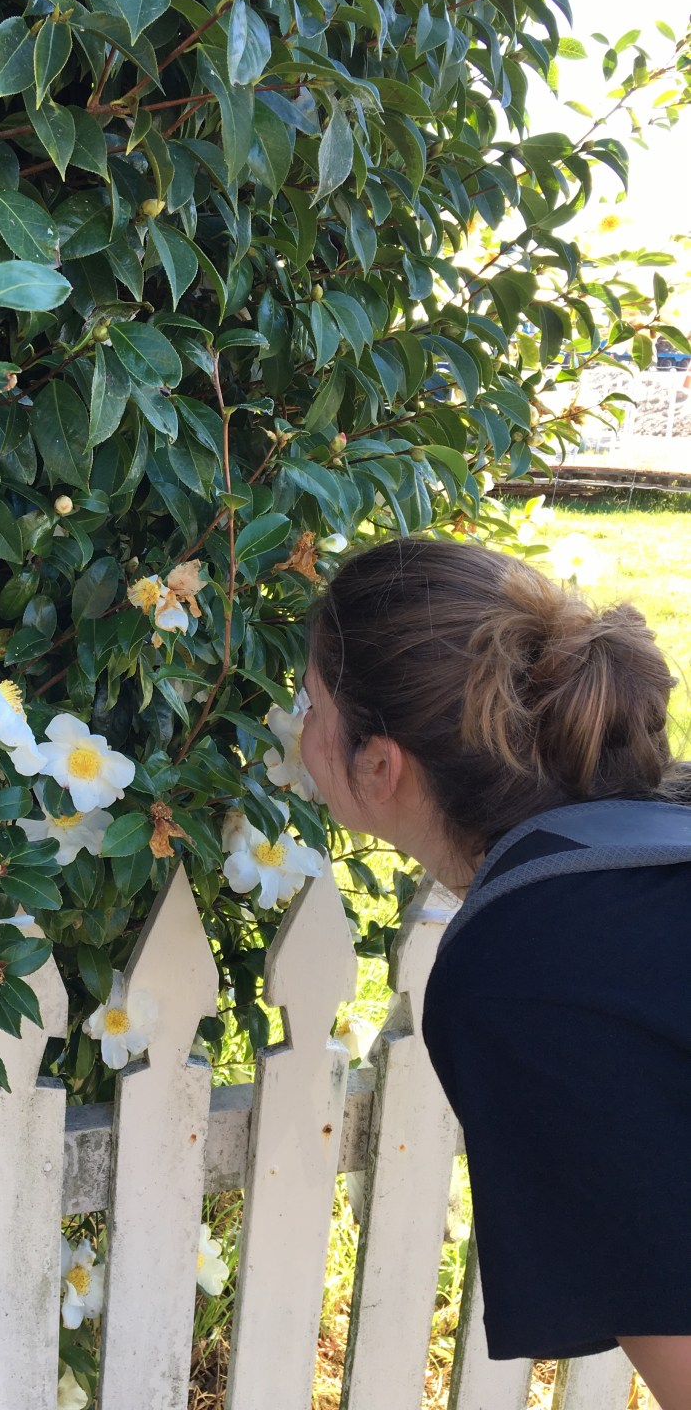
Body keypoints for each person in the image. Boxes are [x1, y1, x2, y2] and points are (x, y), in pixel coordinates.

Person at [298, 536, 691, 1408]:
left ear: (380, 764)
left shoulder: (525, 968)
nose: (299, 734)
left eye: (311, 705)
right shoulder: (662, 829)